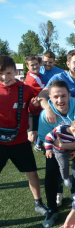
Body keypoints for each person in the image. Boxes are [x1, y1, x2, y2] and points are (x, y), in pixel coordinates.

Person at [38, 80, 75, 227]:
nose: (60, 100)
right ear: (49, 97)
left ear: (69, 95)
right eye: (56, 96)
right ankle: (52, 208)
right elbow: (44, 138)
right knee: (51, 171)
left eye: (63, 96)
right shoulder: (46, 114)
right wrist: (60, 149)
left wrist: (71, 147)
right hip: (57, 148)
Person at [0, 55, 48, 216]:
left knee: (32, 172)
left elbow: (34, 109)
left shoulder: (25, 89)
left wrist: (36, 106)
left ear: (15, 71)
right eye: (0, 73)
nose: (4, 77)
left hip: (20, 141)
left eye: (8, 73)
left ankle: (38, 203)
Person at [44, 117, 75, 189]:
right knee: (64, 165)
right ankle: (66, 178)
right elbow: (48, 137)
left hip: (69, 149)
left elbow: (73, 143)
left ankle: (74, 169)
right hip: (59, 151)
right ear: (73, 129)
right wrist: (48, 149)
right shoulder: (59, 130)